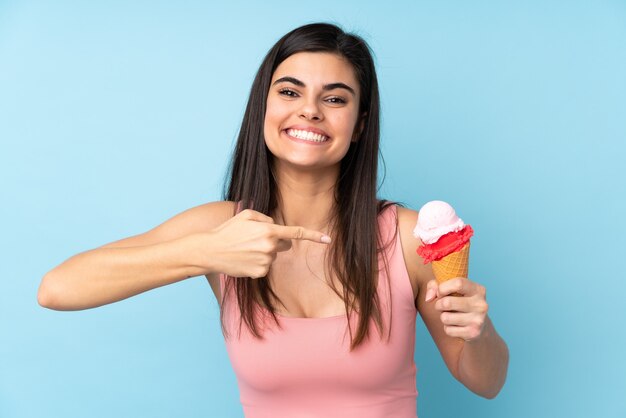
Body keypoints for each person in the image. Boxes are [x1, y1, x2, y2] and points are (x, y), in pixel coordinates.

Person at [38, 22, 509, 417]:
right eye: (289, 91)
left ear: (360, 124)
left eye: (335, 98)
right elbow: (56, 289)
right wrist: (204, 251)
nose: (309, 109)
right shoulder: (223, 229)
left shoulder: (406, 236)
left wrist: (479, 331)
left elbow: (486, 381)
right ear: (264, 106)